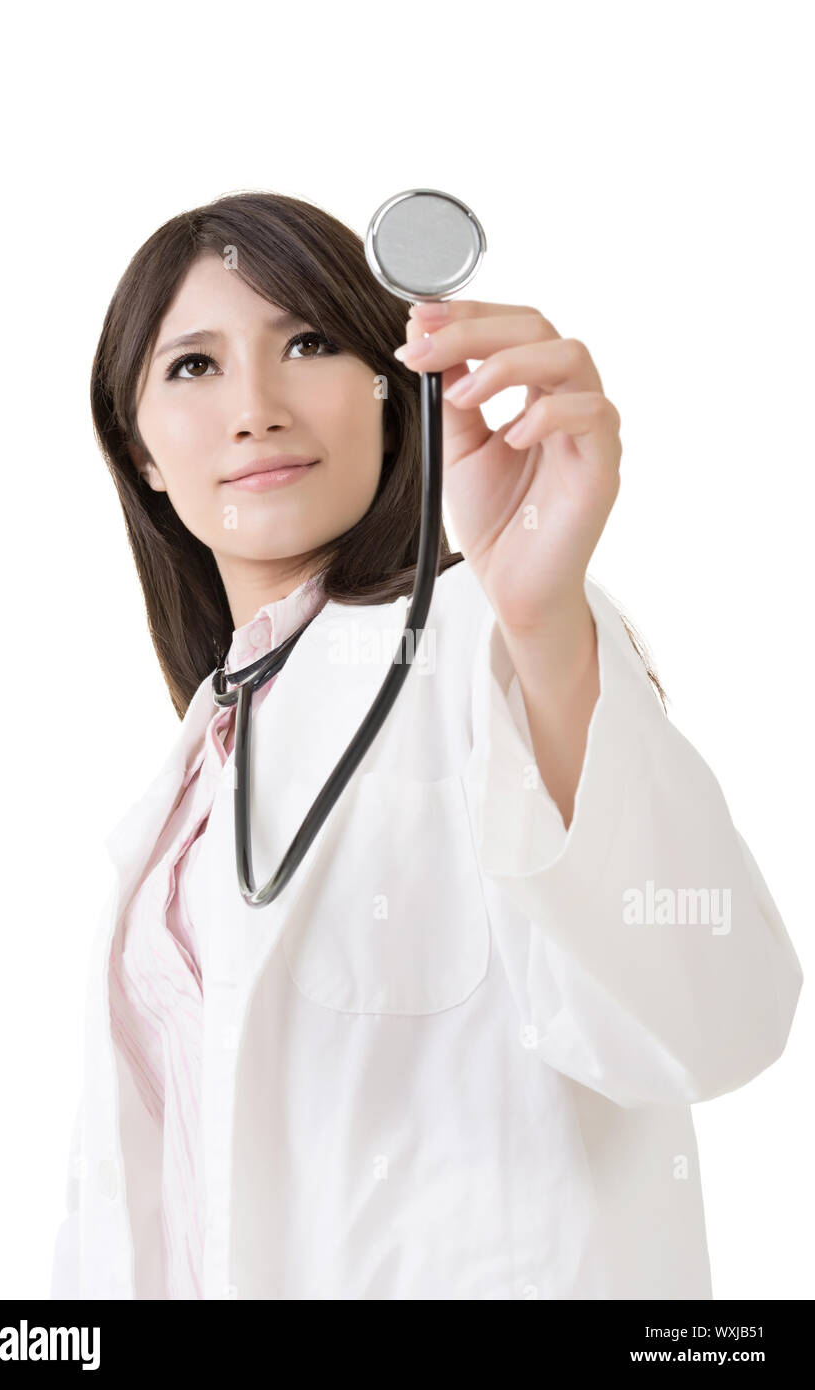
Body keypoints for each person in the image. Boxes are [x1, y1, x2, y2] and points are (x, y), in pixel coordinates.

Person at [50, 190, 802, 1301]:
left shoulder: (485, 640)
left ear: (393, 395)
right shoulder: (194, 774)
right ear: (140, 450)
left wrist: (544, 630)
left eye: (306, 342)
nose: (253, 407)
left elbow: (707, 1018)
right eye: (192, 367)